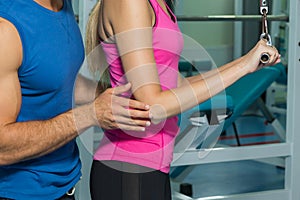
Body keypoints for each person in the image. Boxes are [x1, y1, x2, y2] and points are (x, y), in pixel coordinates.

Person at [86, 0, 281, 199]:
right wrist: (242, 66)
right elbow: (153, 106)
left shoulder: (159, 4)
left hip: (153, 165)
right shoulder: (131, 2)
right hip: (128, 167)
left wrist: (247, 64)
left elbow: (178, 85)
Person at [0, 0, 152, 199]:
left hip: (65, 184)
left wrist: (112, 94)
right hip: (17, 192)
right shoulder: (6, 29)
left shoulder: (62, 5)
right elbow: (2, 147)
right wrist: (91, 114)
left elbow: (56, 78)